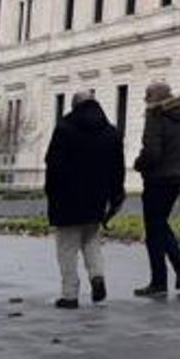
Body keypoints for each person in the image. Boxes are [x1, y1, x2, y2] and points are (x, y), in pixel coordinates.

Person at [44, 89, 125, 309]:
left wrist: (51, 193)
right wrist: (116, 196)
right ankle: (97, 276)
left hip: (66, 198)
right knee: (91, 241)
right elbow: (118, 170)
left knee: (67, 247)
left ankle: (69, 295)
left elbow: (53, 164)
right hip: (96, 198)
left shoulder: (64, 129)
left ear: (74, 106)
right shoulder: (111, 133)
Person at [132, 83, 180, 297]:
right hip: (178, 178)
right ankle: (177, 266)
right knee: (159, 223)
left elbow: (152, 152)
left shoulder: (156, 115)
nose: (145, 99)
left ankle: (160, 281)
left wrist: (138, 164)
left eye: (147, 95)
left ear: (157, 97)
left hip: (157, 179)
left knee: (154, 228)